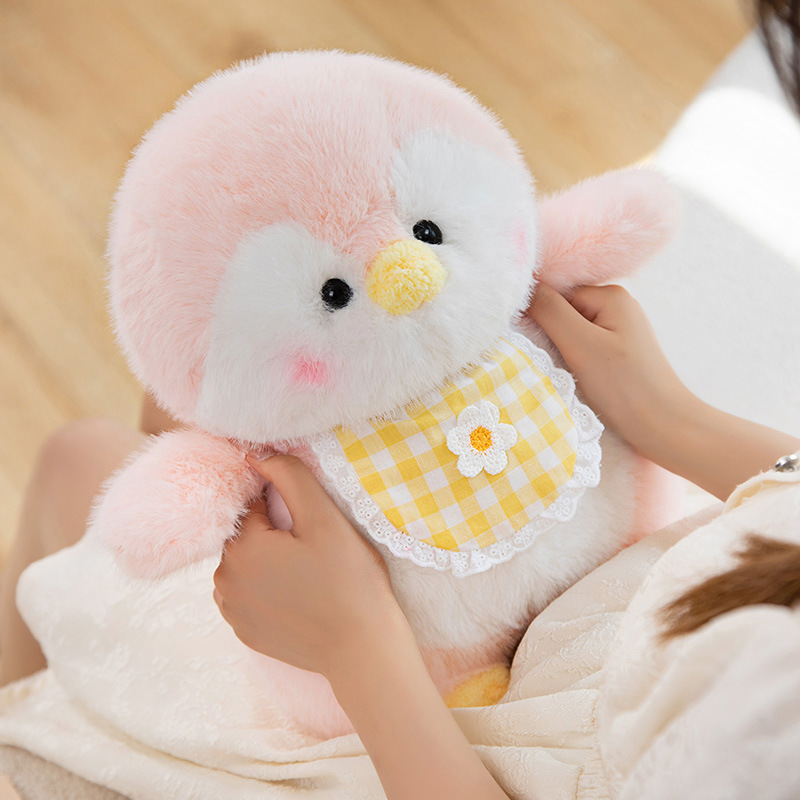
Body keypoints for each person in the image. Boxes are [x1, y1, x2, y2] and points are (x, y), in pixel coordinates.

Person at [1, 2, 799, 798]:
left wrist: (356, 645)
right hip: (615, 590)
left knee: (84, 458)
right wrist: (671, 419)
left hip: (424, 727)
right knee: (127, 437)